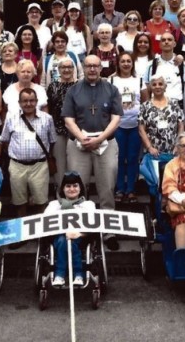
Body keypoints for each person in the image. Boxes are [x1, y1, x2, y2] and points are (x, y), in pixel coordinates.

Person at [62, 55, 123, 240]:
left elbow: (116, 118)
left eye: (96, 66)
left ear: (100, 68)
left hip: (105, 143)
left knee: (107, 187)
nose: (92, 69)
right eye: (88, 66)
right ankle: (79, 228)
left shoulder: (111, 89)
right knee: (77, 187)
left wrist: (100, 138)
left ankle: (108, 231)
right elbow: (68, 119)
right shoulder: (73, 90)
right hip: (79, 143)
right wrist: (83, 138)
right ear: (83, 67)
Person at [0, 87, 57, 218]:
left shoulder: (47, 119)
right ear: (19, 103)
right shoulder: (11, 119)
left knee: (41, 201)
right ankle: (23, 233)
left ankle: (41, 235)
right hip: (17, 166)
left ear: (36, 102)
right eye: (25, 101)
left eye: (32, 101)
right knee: (19, 202)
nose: (28, 104)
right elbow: (5, 140)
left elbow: (52, 141)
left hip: (39, 166)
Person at [43, 172, 95, 286]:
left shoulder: (89, 205)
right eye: (68, 186)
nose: (72, 189)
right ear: (63, 189)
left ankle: (64, 274)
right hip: (58, 239)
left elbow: (94, 226)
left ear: (80, 188)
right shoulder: (53, 205)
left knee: (69, 242)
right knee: (63, 240)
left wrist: (79, 234)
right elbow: (45, 225)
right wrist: (65, 232)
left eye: (75, 186)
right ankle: (72, 274)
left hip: (81, 239)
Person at [109, 52, 143, 202]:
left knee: (133, 157)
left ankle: (131, 189)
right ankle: (119, 188)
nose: (126, 64)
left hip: (135, 125)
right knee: (119, 157)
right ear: (118, 63)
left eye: (129, 61)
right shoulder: (111, 80)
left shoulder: (139, 80)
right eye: (123, 61)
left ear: (132, 63)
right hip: (118, 125)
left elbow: (145, 101)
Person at [47, 57, 77, 187]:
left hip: (76, 131)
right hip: (57, 129)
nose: (66, 70)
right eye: (63, 67)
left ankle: (75, 193)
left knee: (74, 163)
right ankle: (60, 193)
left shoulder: (80, 86)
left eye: (69, 67)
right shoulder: (52, 86)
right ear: (58, 70)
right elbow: (48, 108)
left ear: (73, 69)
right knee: (60, 164)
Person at [139, 73, 185, 158]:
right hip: (153, 152)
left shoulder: (174, 103)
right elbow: (141, 129)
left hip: (173, 151)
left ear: (165, 87)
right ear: (150, 88)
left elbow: (181, 126)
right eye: (154, 84)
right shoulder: (145, 106)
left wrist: (178, 145)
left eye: (160, 84)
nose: (157, 86)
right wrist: (149, 147)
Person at [146, 31, 185, 105]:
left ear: (174, 44)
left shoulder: (183, 65)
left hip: (178, 106)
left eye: (169, 40)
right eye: (163, 40)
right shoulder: (151, 65)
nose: (166, 42)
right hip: (156, 105)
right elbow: (147, 87)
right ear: (160, 44)